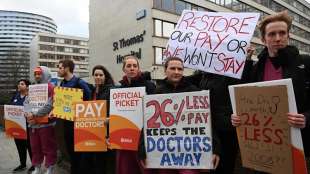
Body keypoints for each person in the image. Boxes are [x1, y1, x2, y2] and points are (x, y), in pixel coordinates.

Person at [231, 10, 310, 162]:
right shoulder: (256, 68)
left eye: (282, 33)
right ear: (263, 39)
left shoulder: (306, 63)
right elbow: (245, 101)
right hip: (265, 146)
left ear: (289, 36)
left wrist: (306, 118)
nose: (278, 38)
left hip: (300, 144)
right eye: (272, 34)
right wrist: (238, 116)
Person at [144, 57, 220, 174]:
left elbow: (207, 122)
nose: (176, 72)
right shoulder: (157, 93)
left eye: (180, 69)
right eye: (172, 68)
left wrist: (215, 149)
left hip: (190, 153)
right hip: (164, 154)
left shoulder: (194, 92)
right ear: (165, 70)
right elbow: (148, 124)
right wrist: (143, 151)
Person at [116, 55, 156, 174]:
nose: (132, 68)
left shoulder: (149, 85)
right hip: (125, 136)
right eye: (129, 66)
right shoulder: (119, 88)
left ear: (138, 68)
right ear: (124, 69)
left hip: (144, 136)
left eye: (135, 66)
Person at [57, 59, 92, 174]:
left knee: (79, 153)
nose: (59, 70)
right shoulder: (62, 83)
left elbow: (89, 100)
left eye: (60, 67)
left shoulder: (79, 82)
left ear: (67, 68)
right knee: (70, 151)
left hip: (79, 123)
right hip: (67, 123)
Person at [24, 66, 57, 174]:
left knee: (48, 147)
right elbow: (26, 102)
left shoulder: (51, 87)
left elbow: (50, 105)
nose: (37, 76)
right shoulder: (32, 88)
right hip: (33, 125)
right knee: (35, 147)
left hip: (46, 124)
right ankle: (37, 166)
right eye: (36, 74)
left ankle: (50, 167)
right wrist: (27, 113)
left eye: (39, 74)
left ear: (45, 74)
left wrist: (33, 114)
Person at [89, 65, 116, 174]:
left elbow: (117, 112)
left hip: (109, 132)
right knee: (98, 162)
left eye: (101, 75)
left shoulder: (111, 90)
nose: (98, 77)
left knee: (108, 163)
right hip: (97, 132)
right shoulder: (93, 91)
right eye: (96, 75)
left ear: (105, 76)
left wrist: (109, 119)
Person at [11, 79, 35, 173]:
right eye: (19, 84)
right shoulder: (15, 96)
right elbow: (10, 107)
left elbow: (33, 110)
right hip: (17, 126)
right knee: (19, 146)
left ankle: (34, 165)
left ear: (27, 87)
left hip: (27, 126)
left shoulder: (30, 97)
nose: (19, 85)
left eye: (22, 84)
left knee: (30, 146)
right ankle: (22, 164)